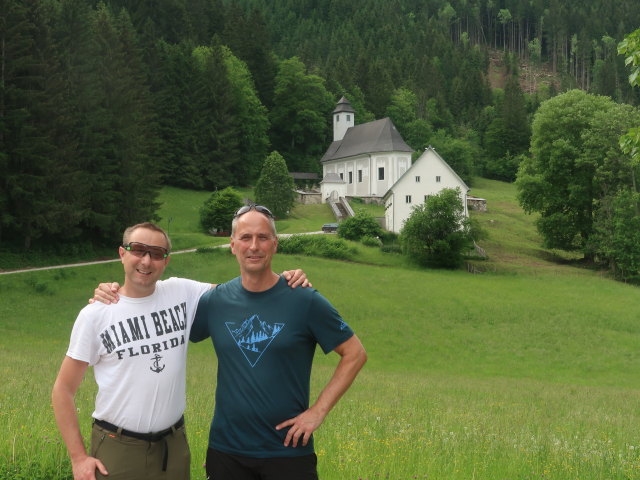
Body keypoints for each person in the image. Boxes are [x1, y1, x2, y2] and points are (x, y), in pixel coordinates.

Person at [52, 222, 308, 480]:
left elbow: (242, 293)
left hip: (173, 447)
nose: (146, 260)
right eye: (138, 250)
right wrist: (78, 458)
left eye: (156, 253)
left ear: (166, 261)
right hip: (118, 447)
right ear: (122, 253)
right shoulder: (96, 315)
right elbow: (63, 389)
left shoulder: (181, 292)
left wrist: (284, 280)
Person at [190, 204, 367, 479]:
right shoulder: (215, 301)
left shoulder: (304, 299)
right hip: (227, 452)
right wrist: (115, 294)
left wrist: (318, 412)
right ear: (232, 245)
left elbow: (355, 353)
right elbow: (164, 321)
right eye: (246, 238)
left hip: (288, 452)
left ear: (275, 244)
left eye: (262, 237)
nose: (254, 246)